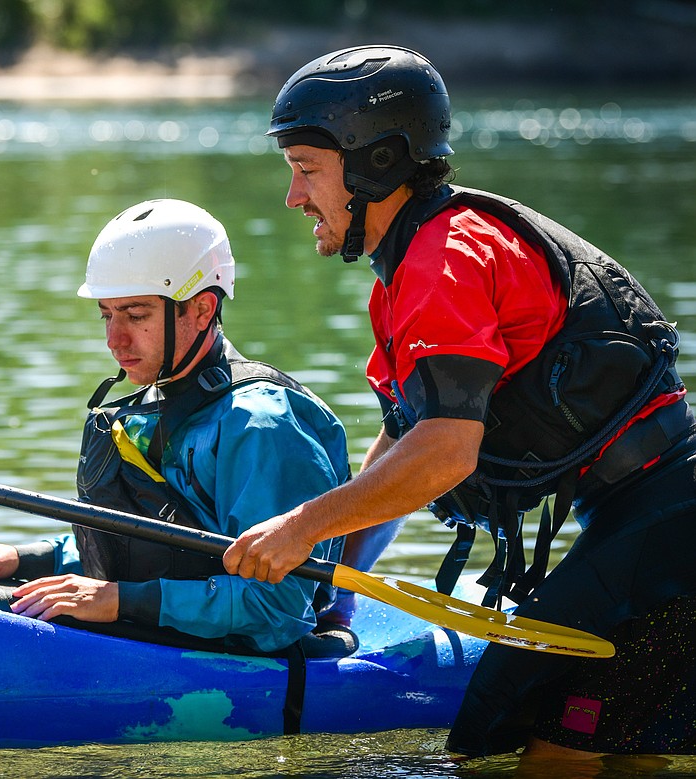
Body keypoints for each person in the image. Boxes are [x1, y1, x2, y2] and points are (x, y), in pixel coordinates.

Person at [222, 44, 696, 757]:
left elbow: (445, 450)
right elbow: (403, 446)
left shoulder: (445, 259)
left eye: (305, 170)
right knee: (593, 739)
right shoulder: (409, 271)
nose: (293, 197)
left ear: (374, 163)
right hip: (647, 515)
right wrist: (337, 577)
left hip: (669, 519)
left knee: (508, 729)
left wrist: (298, 525)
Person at [0, 198, 352, 657]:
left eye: (136, 315)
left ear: (203, 310)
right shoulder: (157, 398)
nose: (114, 339)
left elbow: (278, 608)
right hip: (166, 636)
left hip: (250, 661)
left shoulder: (262, 428)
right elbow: (163, 546)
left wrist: (117, 600)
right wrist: (30, 558)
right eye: (107, 314)